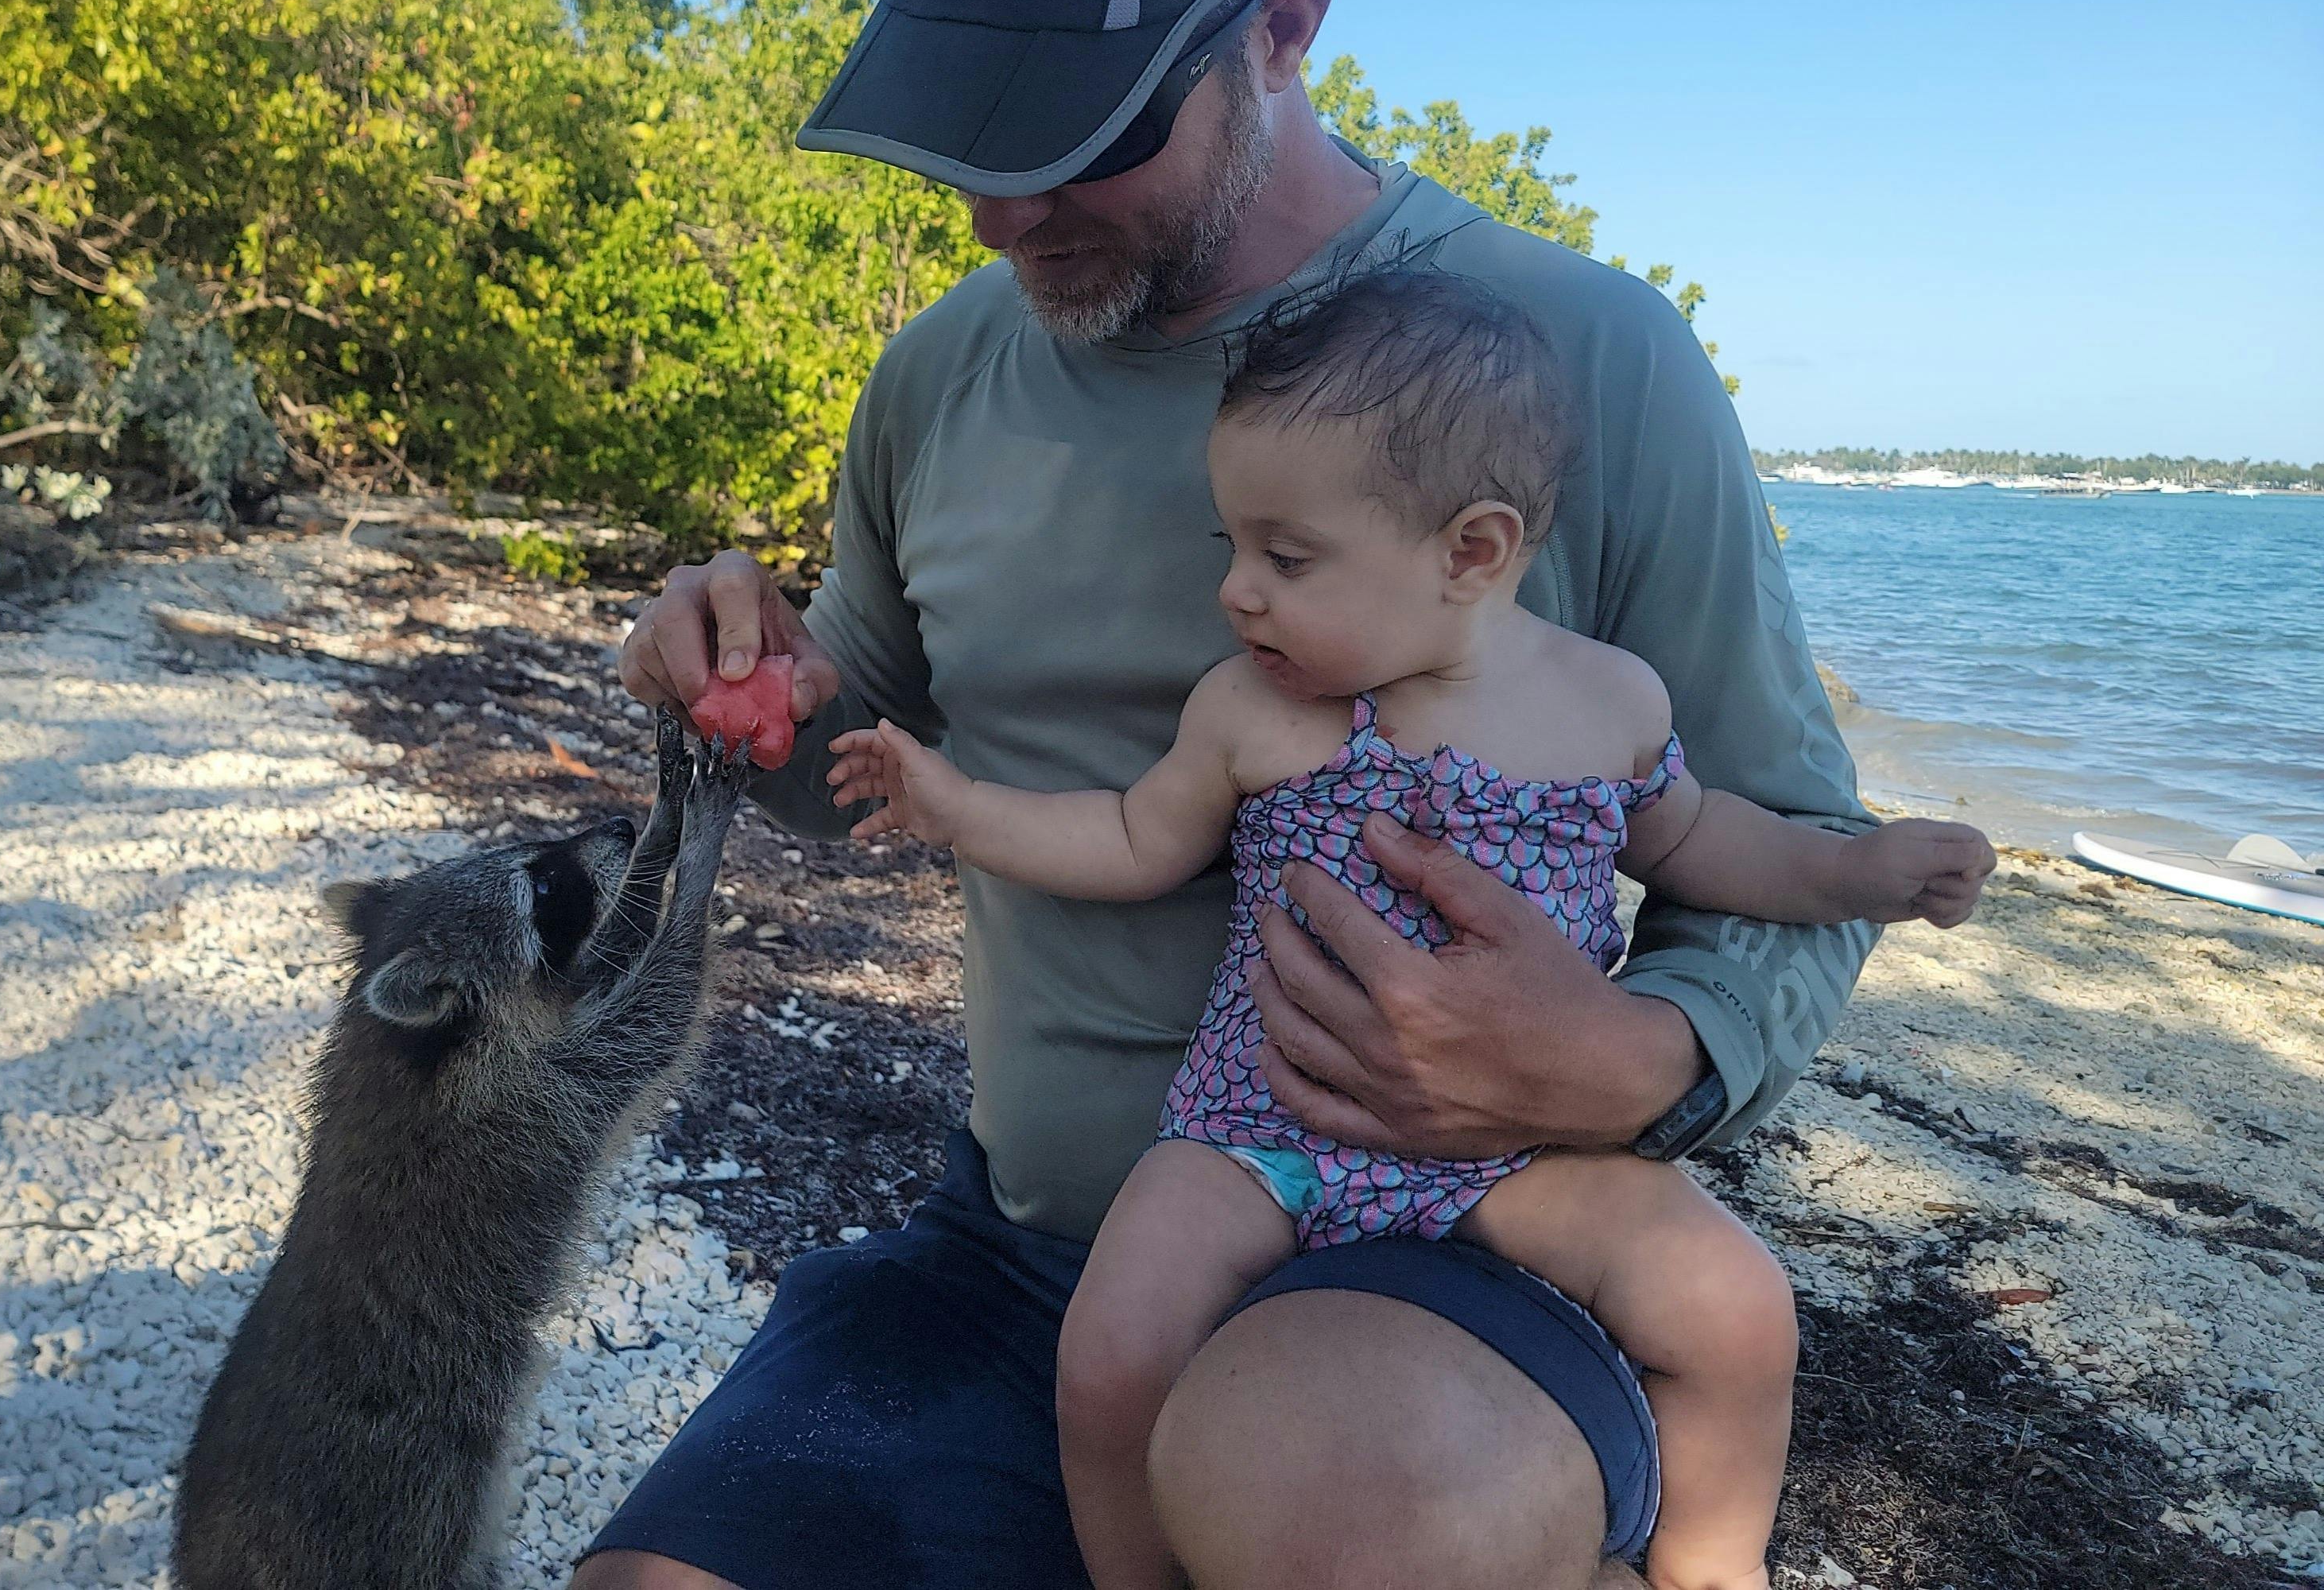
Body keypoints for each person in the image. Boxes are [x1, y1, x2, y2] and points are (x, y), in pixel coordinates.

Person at [587, 0, 1892, 1584]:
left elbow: (1796, 837)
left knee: (1336, 1517)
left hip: (1452, 1248)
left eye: (1079, 129)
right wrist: (741, 689)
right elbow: (856, 763)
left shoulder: (1587, 357)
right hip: (1024, 1254)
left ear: (1286, 25)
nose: (1003, 209)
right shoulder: (938, 380)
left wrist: (1638, 1058)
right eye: (971, 132)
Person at [822, 265, 1995, 1590]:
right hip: (1252, 1134)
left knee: (1735, 1308)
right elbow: (1129, 839)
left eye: (1286, 558)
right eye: (1232, 547)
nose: (1236, 594)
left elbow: (1705, 844)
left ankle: (1711, 1572)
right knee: (1108, 1358)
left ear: (1471, 553)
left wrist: (1860, 872)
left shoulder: (1608, 705)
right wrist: (953, 804)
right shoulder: (1254, 713)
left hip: (1512, 1146)